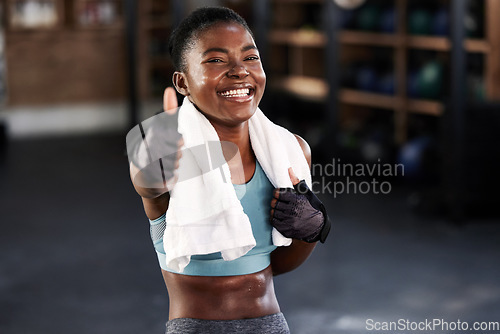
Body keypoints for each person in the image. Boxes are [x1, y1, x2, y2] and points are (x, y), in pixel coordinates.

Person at [127, 7, 330, 334]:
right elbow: (148, 182)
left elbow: (277, 265)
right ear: (182, 82)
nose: (240, 71)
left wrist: (313, 229)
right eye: (216, 61)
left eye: (250, 58)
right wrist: (151, 176)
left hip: (271, 325)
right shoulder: (164, 151)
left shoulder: (291, 151)